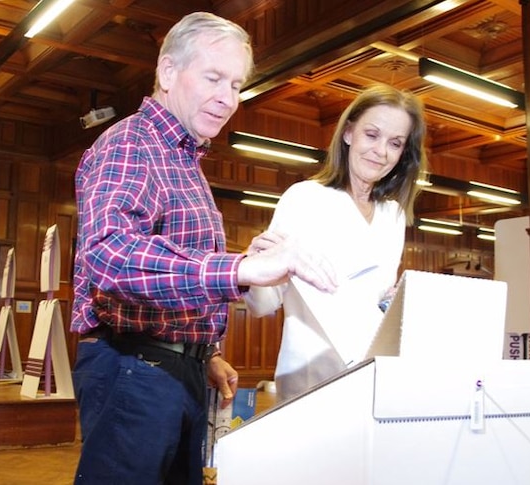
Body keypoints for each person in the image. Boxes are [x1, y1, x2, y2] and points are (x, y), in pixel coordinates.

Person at [70, 11, 337, 485]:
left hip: (173, 367)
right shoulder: (133, 142)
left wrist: (203, 353)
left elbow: (170, 270)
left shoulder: (184, 156)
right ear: (168, 72)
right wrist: (239, 269)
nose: (226, 98)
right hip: (135, 367)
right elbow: (110, 255)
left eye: (235, 84)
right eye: (213, 77)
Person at [244, 83, 428, 404]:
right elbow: (262, 304)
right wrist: (253, 265)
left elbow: (379, 302)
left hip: (373, 378)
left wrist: (395, 302)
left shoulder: (393, 215)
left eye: (395, 143)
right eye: (372, 135)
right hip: (310, 381)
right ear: (348, 134)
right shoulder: (305, 198)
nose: (381, 151)